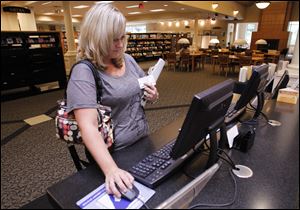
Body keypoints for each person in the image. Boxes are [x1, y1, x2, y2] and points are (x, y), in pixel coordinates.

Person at [66, 3, 159, 199]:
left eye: (122, 37)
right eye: (112, 39)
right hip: (115, 154)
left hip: (142, 142)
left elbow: (141, 90)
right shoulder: (84, 71)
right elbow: (88, 126)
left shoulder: (128, 59)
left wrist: (151, 96)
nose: (119, 44)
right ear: (96, 37)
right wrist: (111, 170)